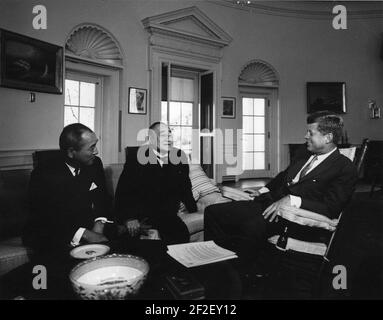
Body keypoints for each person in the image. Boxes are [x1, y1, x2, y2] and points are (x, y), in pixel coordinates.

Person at [205, 111, 359, 261]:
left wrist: (293, 200)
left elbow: (331, 207)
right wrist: (262, 190)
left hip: (293, 217)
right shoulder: (303, 153)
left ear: (328, 137)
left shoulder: (344, 168)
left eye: (310, 133)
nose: (306, 136)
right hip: (268, 204)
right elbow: (283, 176)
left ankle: (241, 272)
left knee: (248, 226)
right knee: (213, 212)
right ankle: (217, 263)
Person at [23, 123, 113, 257]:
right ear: (71, 152)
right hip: (54, 234)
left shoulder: (95, 164)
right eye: (91, 147)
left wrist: (99, 224)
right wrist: (85, 233)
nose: (96, 152)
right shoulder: (44, 173)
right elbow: (44, 217)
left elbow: (102, 198)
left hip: (90, 226)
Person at [114, 122, 197, 244]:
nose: (169, 139)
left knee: (181, 237)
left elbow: (185, 186)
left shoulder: (179, 156)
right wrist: (129, 218)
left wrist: (192, 208)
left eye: (169, 134)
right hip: (143, 217)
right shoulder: (136, 158)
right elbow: (123, 192)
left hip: (168, 216)